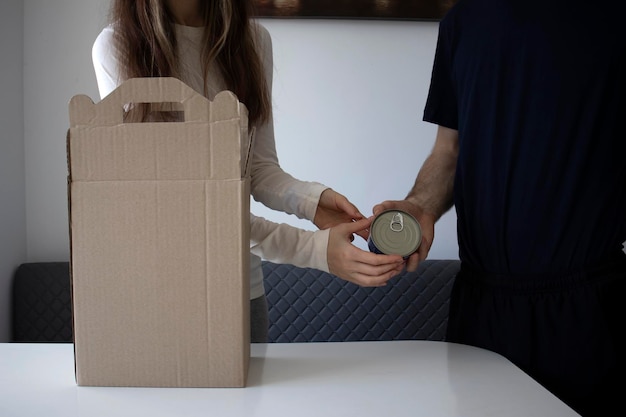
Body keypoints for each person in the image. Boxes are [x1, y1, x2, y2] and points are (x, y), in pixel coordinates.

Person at [92, 0, 405, 343]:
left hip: (240, 291)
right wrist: (312, 250)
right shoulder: (119, 44)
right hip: (156, 294)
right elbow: (177, 205)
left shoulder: (252, 40)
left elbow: (256, 169)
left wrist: (313, 201)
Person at [374, 0, 625, 415]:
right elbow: (449, 151)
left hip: (589, 307)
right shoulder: (463, 21)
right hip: (482, 305)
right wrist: (420, 205)